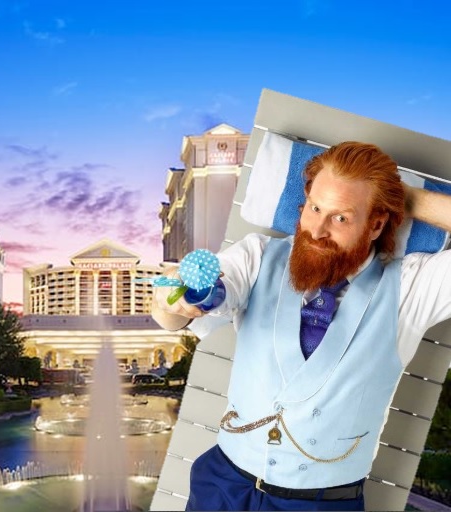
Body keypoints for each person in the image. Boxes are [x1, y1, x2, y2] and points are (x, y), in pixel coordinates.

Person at [152, 141, 451, 511]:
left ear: (376, 225)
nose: (317, 230)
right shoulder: (259, 255)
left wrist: (402, 197)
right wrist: (182, 300)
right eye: (314, 207)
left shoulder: (411, 288)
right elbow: (174, 314)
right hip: (223, 486)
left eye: (341, 217)